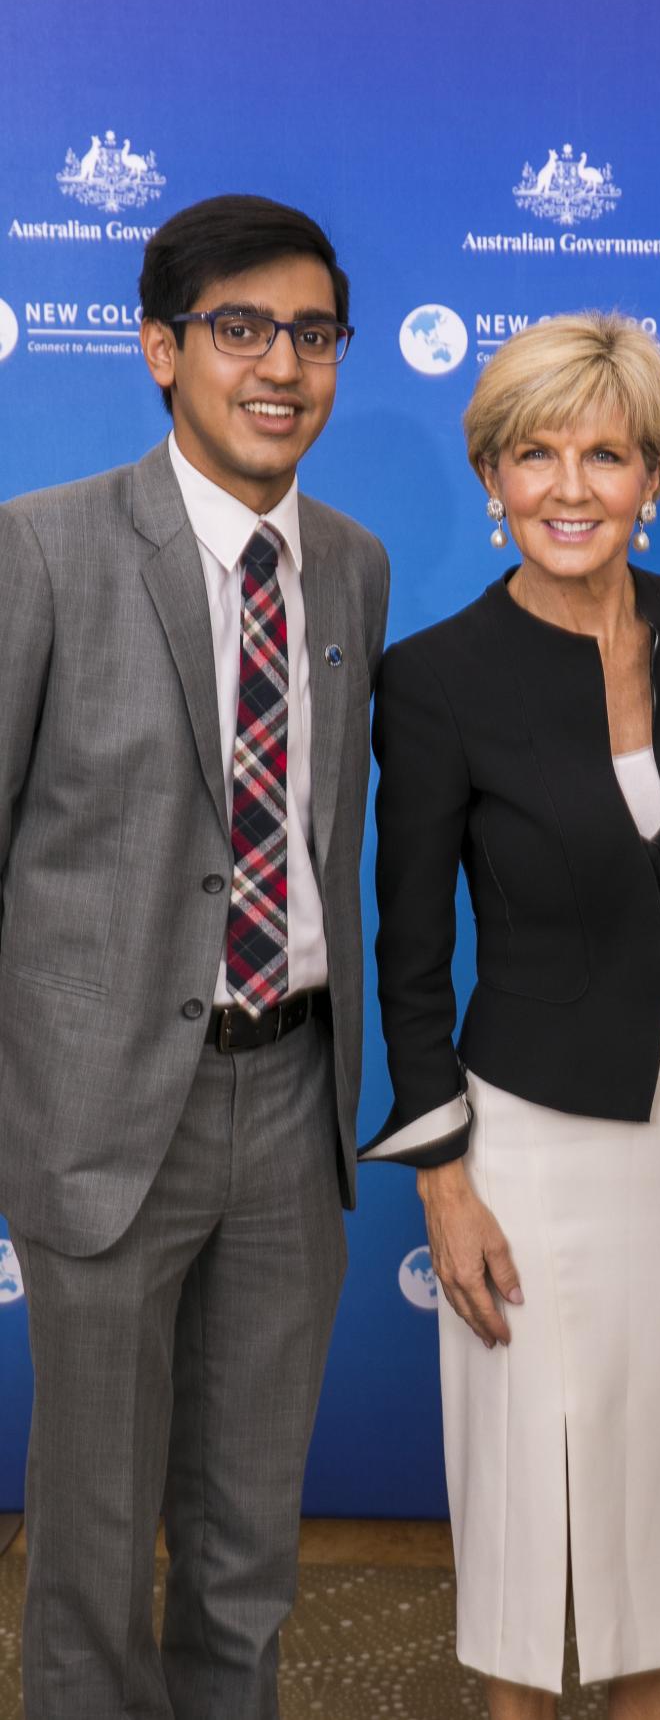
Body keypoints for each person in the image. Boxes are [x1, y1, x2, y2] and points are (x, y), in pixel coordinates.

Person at [0, 194, 389, 1720]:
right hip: (104, 1121)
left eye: (310, 332)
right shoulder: (39, 552)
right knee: (91, 1553)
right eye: (238, 330)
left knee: (247, 1547)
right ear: (162, 351)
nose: (279, 365)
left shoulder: (349, 566)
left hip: (293, 1105)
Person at [364, 312, 660, 1720]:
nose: (571, 486)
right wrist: (444, 1186)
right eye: (534, 453)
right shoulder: (433, 677)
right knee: (530, 1524)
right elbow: (409, 955)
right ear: (492, 475)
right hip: (527, 1151)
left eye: (606, 453)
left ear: (651, 477)